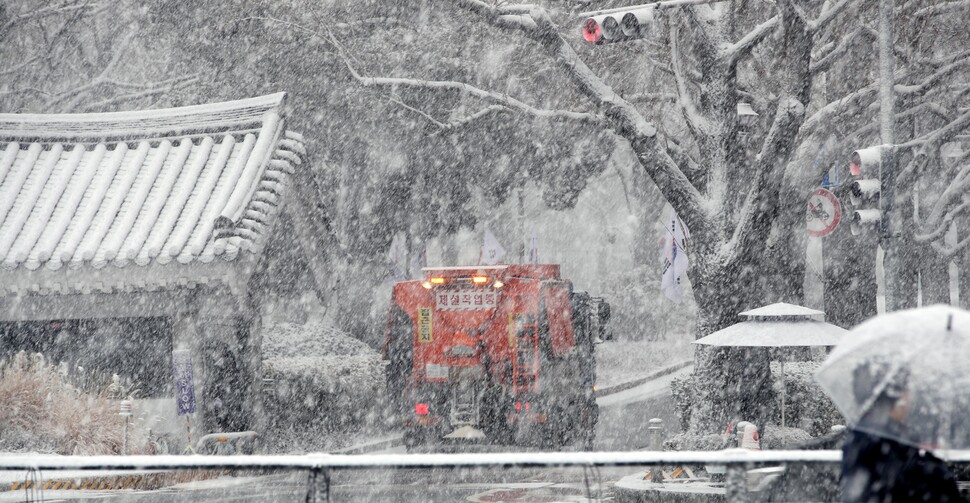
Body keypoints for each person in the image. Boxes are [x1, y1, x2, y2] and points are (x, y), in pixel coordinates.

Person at [840, 360, 962, 502]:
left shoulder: (857, 442)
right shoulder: (895, 450)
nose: (909, 396)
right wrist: (938, 474)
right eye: (906, 389)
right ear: (898, 398)